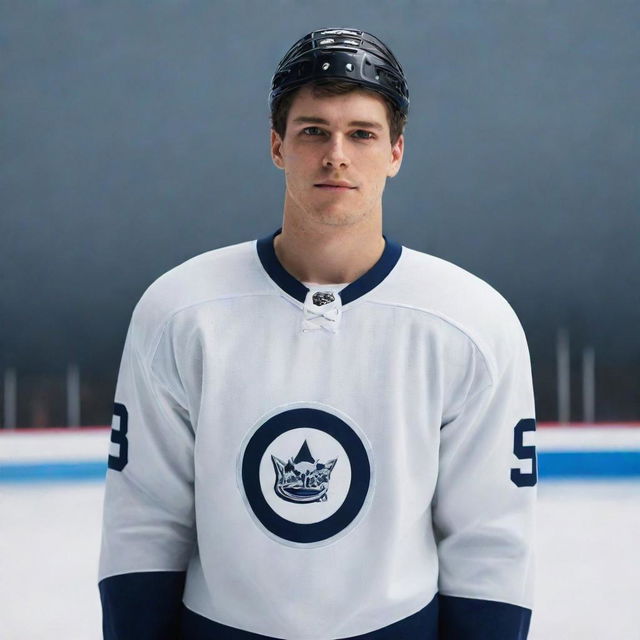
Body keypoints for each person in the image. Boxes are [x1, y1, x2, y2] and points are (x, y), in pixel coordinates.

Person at [99, 28, 537, 640]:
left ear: (396, 152)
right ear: (277, 145)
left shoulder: (471, 321)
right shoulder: (180, 310)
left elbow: (491, 537)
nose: (337, 154)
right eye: (313, 131)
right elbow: (144, 517)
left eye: (362, 133)